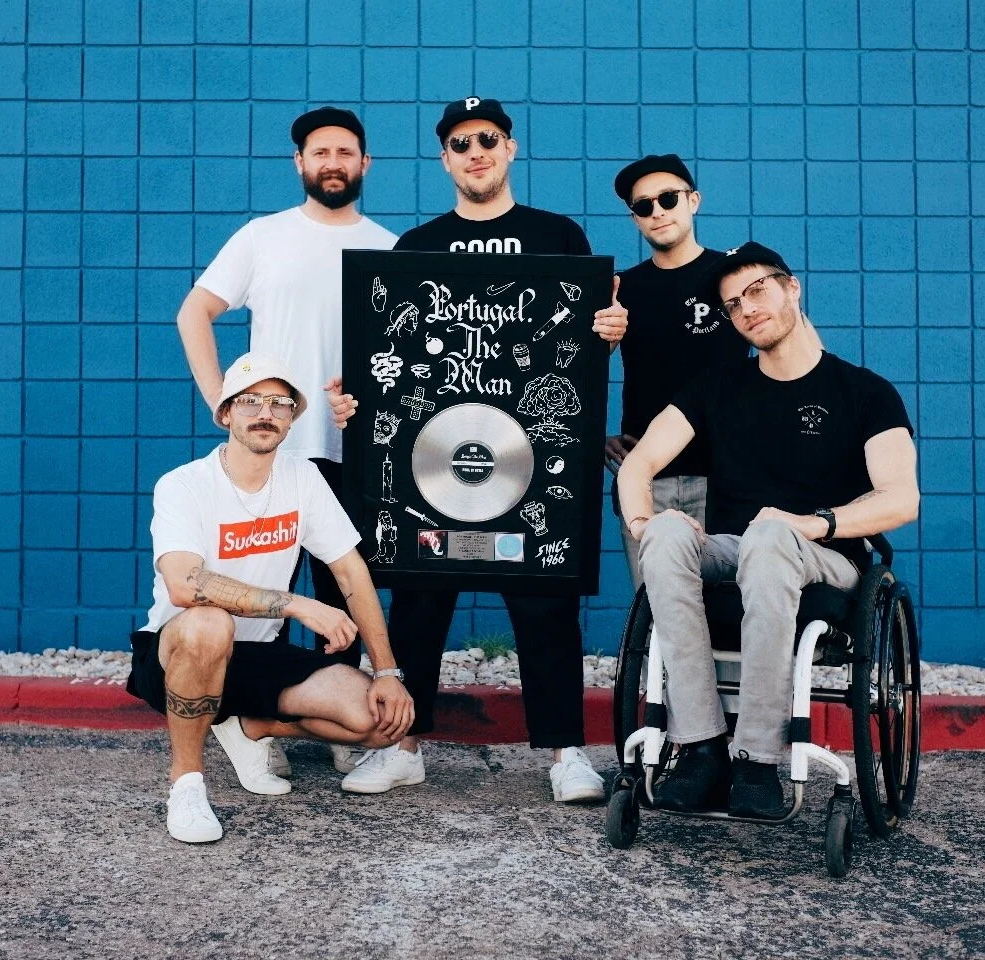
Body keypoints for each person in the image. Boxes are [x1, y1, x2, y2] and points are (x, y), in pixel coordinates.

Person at [326, 96, 628, 803]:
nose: (475, 152)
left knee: (545, 600)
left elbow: (587, 335)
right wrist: (354, 402)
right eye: (460, 143)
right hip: (437, 458)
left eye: (487, 138)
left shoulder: (559, 236)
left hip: (528, 458)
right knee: (419, 594)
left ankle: (565, 755)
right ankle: (403, 744)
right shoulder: (416, 247)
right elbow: (388, 359)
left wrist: (612, 326)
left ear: (511, 148)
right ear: (445, 159)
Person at [616, 242, 919, 818]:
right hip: (738, 549)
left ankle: (755, 759)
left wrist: (815, 523)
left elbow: (902, 498)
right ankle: (701, 747)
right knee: (667, 536)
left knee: (771, 536)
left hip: (826, 554)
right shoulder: (716, 387)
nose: (747, 309)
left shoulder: (864, 392)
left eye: (757, 290)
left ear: (791, 287)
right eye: (732, 304)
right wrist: (643, 522)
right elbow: (638, 465)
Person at [174, 107, 396, 774]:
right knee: (251, 588)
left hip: (353, 448)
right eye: (320, 151)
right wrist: (221, 396)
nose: (333, 161)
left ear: (365, 165)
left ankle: (331, 725)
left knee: (341, 587)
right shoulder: (263, 236)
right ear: (299, 163)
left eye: (346, 151)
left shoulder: (387, 248)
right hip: (270, 449)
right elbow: (195, 311)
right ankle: (246, 721)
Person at [126, 352, 414, 843]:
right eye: (251, 401)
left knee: (380, 721)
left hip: (257, 653)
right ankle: (187, 785)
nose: (266, 413)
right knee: (208, 623)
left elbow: (350, 570)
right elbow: (185, 584)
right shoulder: (184, 485)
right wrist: (298, 604)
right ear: (225, 413)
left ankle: (251, 725)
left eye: (280, 404)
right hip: (176, 654)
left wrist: (387, 672)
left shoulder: (302, 477)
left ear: (293, 418)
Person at [605, 154, 750, 586]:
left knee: (731, 619)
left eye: (668, 198)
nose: (658, 211)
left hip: (725, 477)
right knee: (658, 623)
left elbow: (787, 356)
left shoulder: (733, 276)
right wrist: (594, 436)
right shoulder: (620, 288)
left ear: (694, 201)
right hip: (647, 479)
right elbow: (567, 375)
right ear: (635, 219)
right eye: (644, 205)